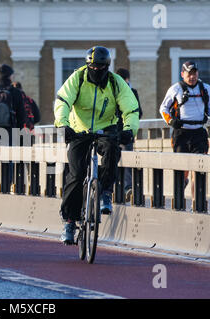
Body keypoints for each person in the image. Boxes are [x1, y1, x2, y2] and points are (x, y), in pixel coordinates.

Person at [54, 46, 140, 245]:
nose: (97, 70)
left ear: (107, 67)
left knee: (112, 151)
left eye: (102, 67)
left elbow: (131, 109)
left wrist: (129, 130)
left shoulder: (116, 83)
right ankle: (69, 221)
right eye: (93, 66)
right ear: (87, 65)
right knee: (75, 174)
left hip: (106, 129)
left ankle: (105, 193)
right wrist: (63, 124)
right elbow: (63, 101)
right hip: (78, 131)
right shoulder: (77, 78)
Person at [159, 60, 210, 198]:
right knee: (182, 169)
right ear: (182, 74)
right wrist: (170, 121)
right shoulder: (176, 89)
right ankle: (180, 197)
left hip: (199, 133)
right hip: (181, 133)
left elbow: (209, 108)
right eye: (189, 74)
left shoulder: (205, 88)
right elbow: (163, 108)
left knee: (199, 169)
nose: (192, 77)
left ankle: (196, 203)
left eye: (194, 74)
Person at [115, 68, 143, 202]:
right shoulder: (114, 91)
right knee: (117, 159)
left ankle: (126, 188)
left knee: (123, 160)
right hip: (118, 132)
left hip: (121, 132)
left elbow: (138, 112)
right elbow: (139, 113)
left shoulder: (132, 92)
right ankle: (123, 187)